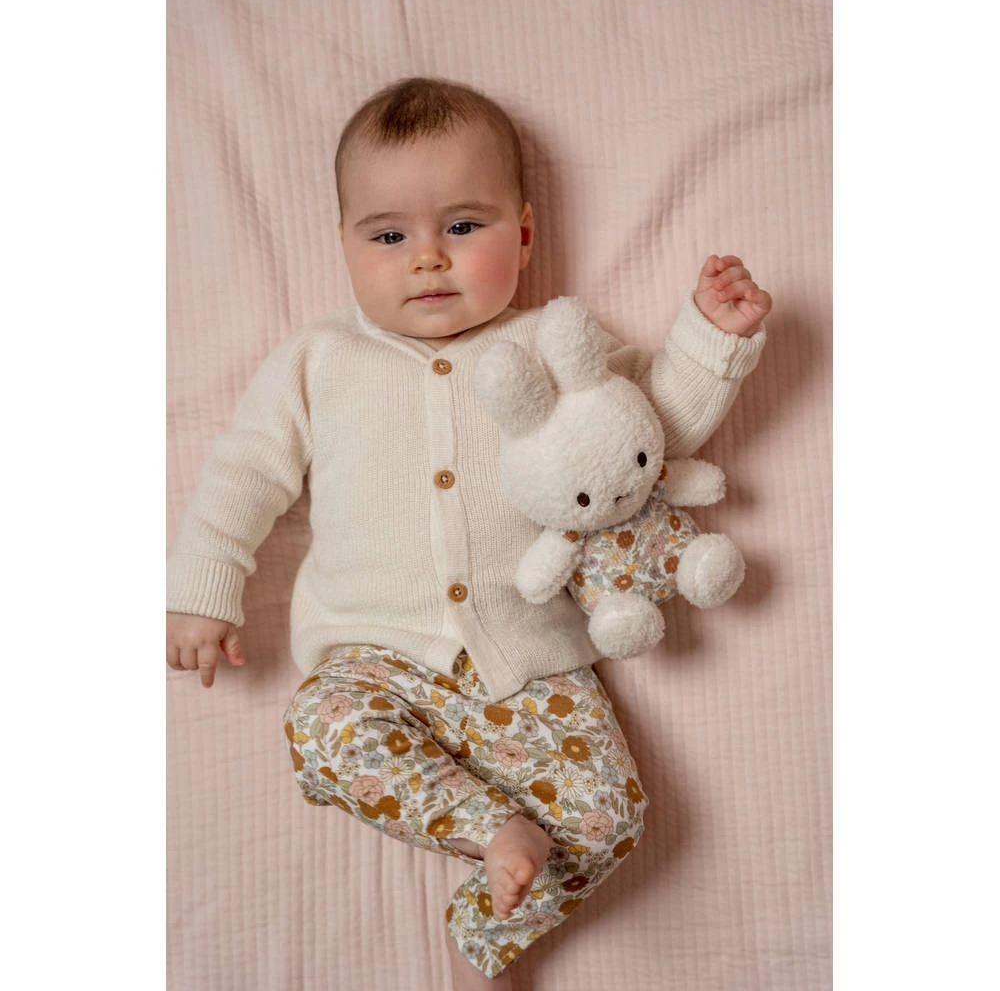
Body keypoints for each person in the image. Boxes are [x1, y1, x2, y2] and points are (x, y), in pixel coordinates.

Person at [166, 76, 770, 986]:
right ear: (344, 243)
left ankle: (483, 933)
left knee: (611, 816)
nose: (427, 260)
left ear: (523, 234)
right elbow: (244, 473)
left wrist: (713, 339)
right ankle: (493, 827)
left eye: (461, 226)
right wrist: (202, 589)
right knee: (320, 729)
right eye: (388, 236)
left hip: (531, 662)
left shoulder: (556, 346)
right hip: (374, 657)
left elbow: (651, 429)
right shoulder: (318, 361)